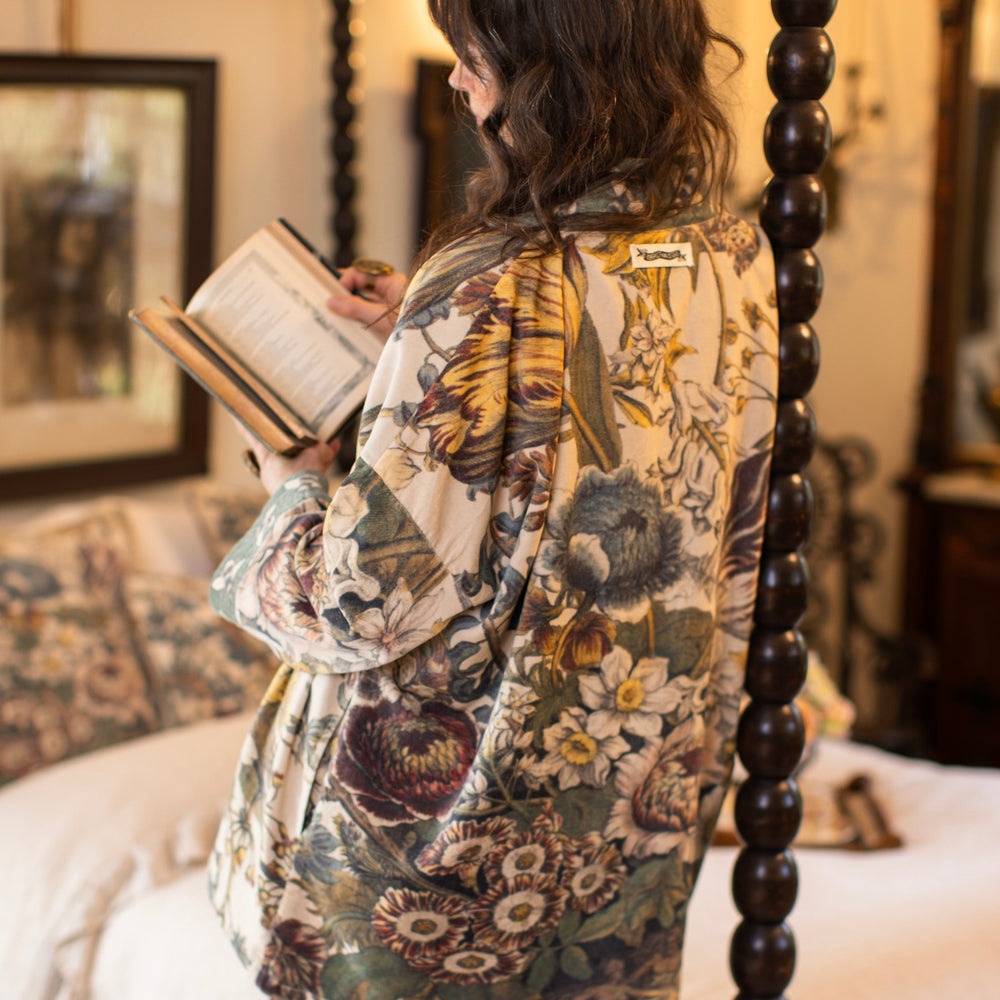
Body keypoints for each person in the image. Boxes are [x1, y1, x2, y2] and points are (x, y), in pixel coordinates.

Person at [207, 1, 779, 997]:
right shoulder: (731, 255)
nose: (458, 81)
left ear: (544, 67)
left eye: (471, 52)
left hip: (438, 873)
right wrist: (421, 345)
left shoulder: (485, 286)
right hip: (620, 837)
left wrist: (292, 488)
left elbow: (357, 600)